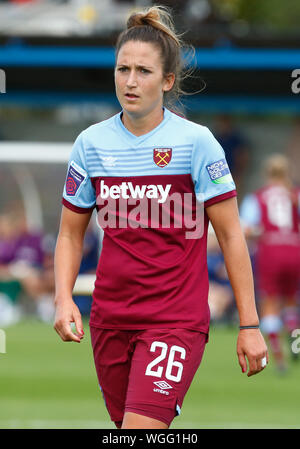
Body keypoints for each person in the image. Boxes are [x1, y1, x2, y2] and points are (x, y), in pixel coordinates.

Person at [53, 5, 268, 430]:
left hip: (175, 321)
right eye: (122, 69)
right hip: (110, 319)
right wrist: (62, 298)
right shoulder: (89, 144)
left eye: (144, 71)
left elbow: (230, 236)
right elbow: (69, 235)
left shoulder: (196, 143)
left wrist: (250, 323)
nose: (130, 81)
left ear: (168, 81)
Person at [240, 154, 300, 372]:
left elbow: (246, 228)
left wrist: (259, 232)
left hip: (271, 250)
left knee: (270, 303)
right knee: (292, 301)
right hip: (295, 249)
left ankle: (279, 359)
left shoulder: (258, 197)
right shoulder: (295, 195)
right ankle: (295, 342)